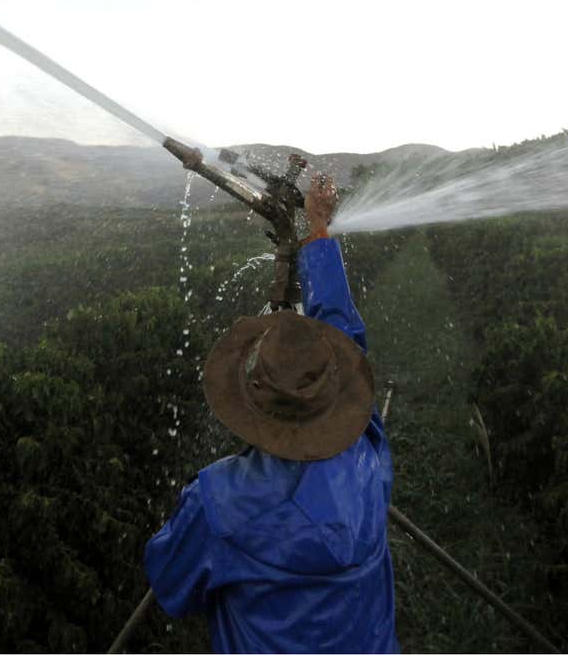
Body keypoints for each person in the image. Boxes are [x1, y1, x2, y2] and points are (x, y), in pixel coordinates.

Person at [143, 175, 397, 653]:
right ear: (334, 397)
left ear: (251, 402)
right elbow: (346, 345)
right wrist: (319, 233)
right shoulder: (366, 453)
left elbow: (171, 584)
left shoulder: (218, 501)